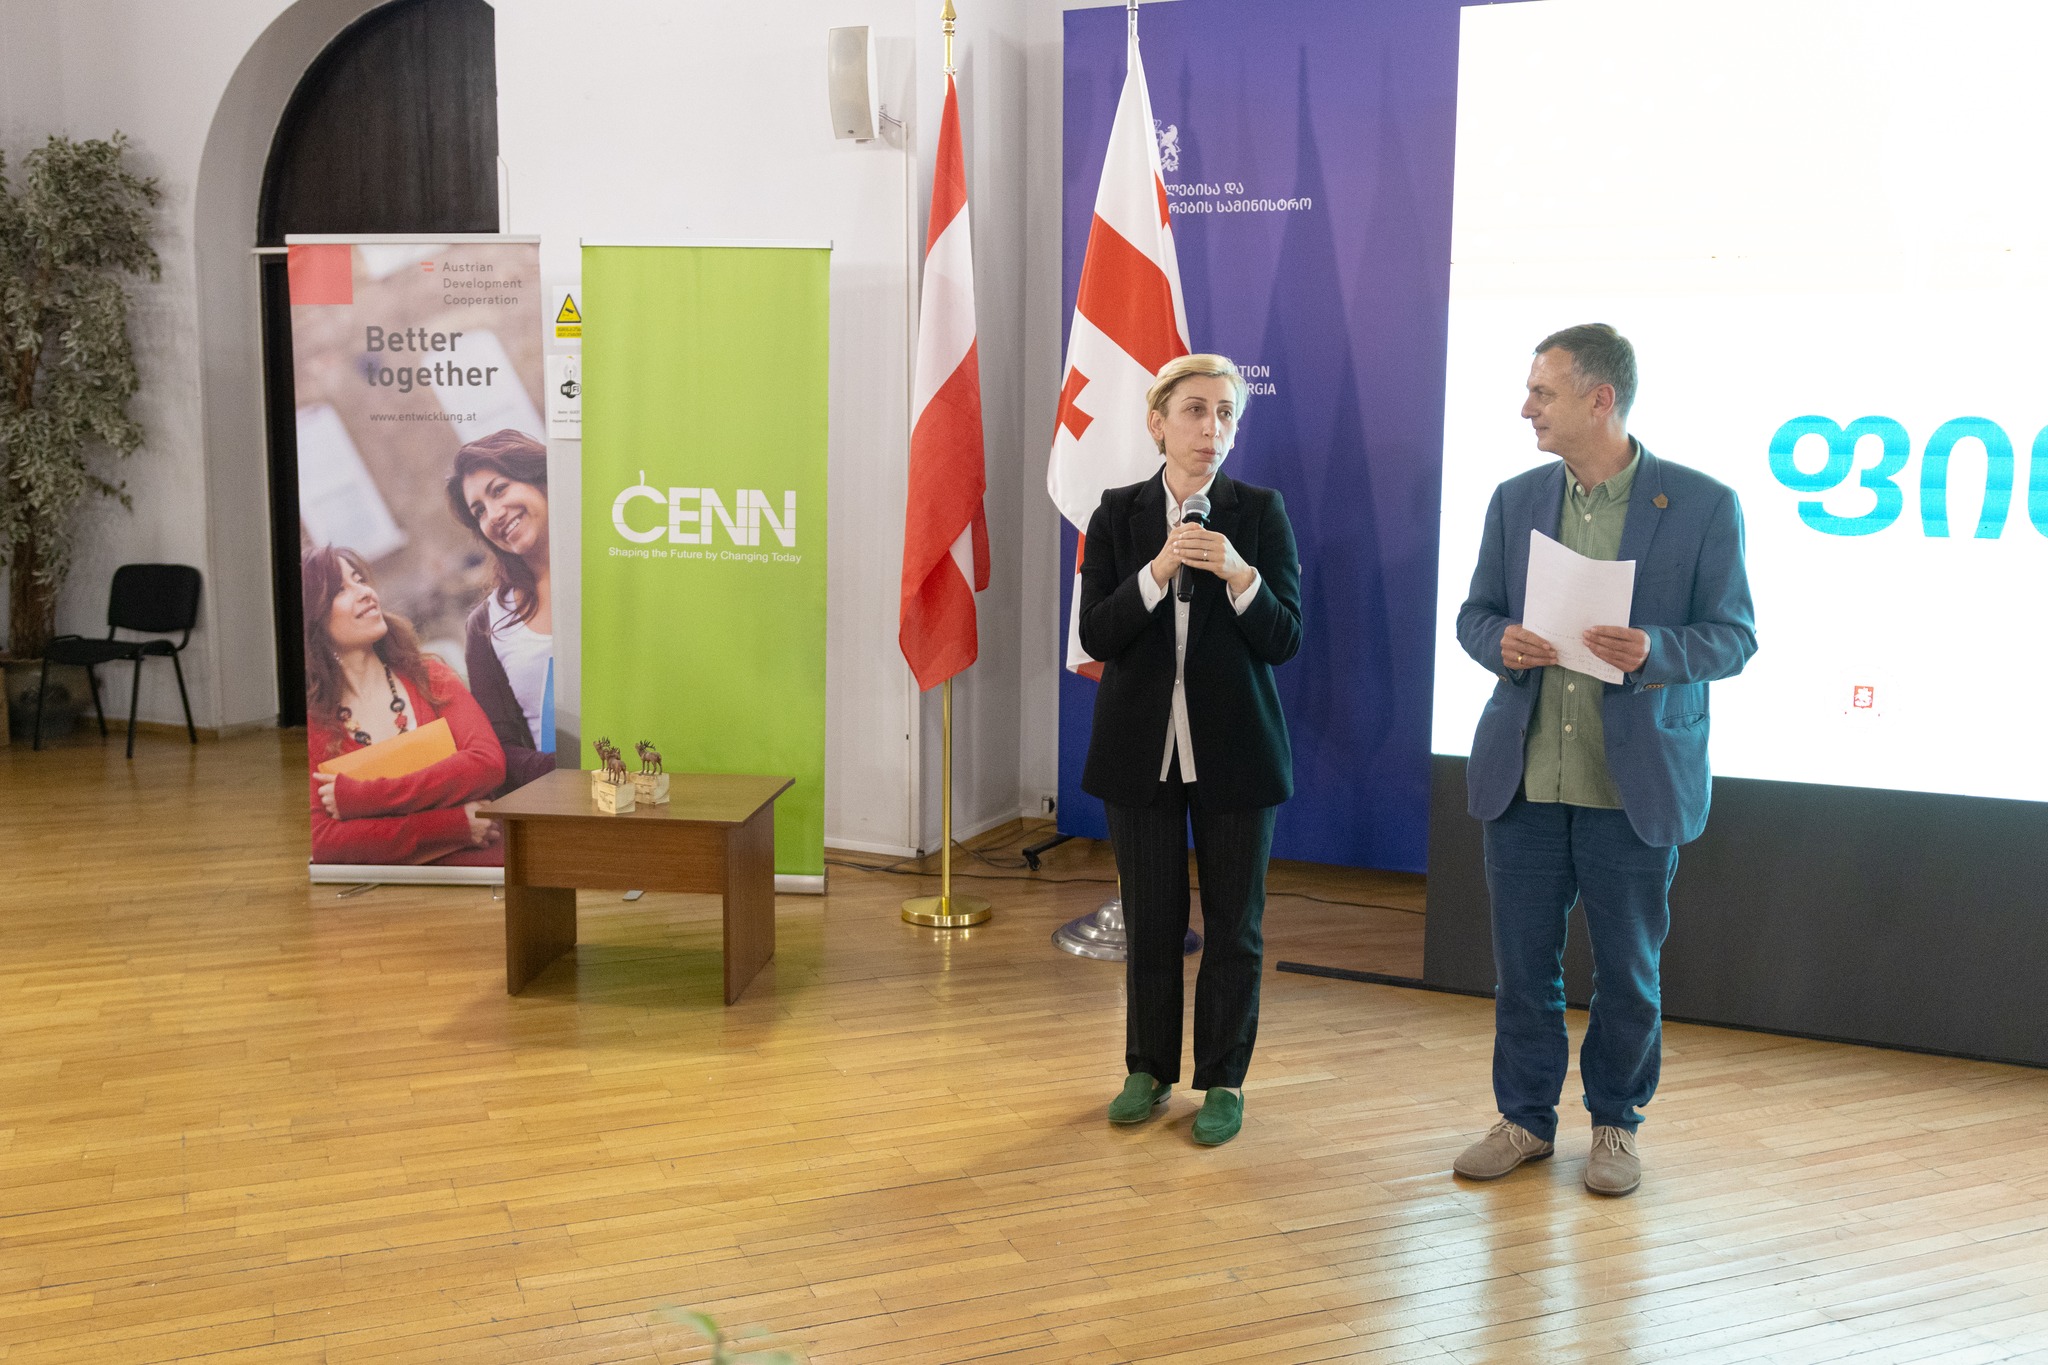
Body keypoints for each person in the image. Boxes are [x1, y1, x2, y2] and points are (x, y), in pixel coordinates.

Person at [1452, 324, 1757, 1195]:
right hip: (1526, 779)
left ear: (1600, 399)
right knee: (1523, 968)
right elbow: (1475, 614)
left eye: (1542, 392)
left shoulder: (1701, 503)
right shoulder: (1515, 499)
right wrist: (1500, 641)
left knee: (1628, 972)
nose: (1526, 407)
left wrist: (1655, 648)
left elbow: (1735, 636)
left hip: (1633, 785)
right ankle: (1525, 1119)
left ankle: (1617, 1123)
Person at [1079, 353, 1302, 1147]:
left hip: (1237, 752)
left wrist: (1240, 575)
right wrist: (1158, 569)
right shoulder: (1117, 514)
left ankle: (1223, 1080)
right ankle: (1147, 1068)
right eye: (1196, 411)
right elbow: (1095, 632)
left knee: (1235, 926)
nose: (1213, 428)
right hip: (1139, 750)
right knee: (1150, 920)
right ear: (1158, 422)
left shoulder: (1259, 511)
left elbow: (1285, 638)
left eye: (1226, 414)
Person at [303, 545, 508, 866]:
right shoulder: (315, 722)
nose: (366, 592)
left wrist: (364, 797)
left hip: (482, 871)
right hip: (389, 890)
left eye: (360, 580)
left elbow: (487, 764)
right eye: (341, 589)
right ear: (314, 618)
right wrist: (449, 826)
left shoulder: (430, 675)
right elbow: (324, 841)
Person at [445, 428, 558, 796]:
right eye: (479, 511)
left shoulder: (618, 565)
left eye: (499, 490)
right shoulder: (487, 625)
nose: (493, 515)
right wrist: (573, 769)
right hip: (565, 798)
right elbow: (500, 749)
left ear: (540, 479)